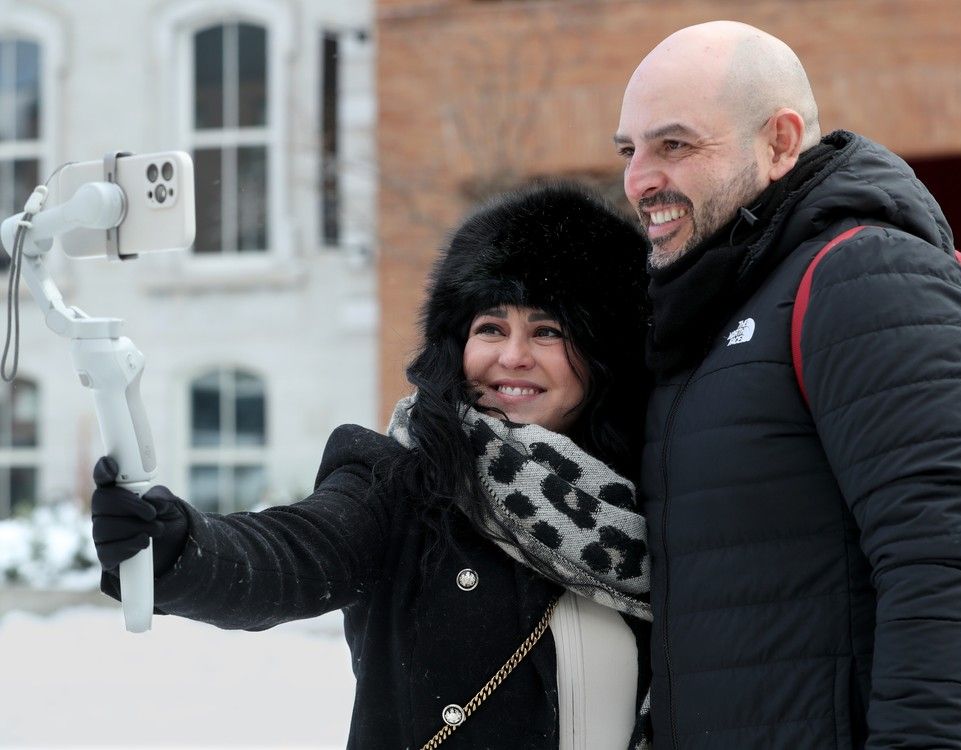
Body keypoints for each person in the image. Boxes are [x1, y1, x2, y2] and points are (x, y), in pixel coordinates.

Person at [90, 183, 656, 749]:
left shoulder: (650, 502)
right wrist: (180, 547)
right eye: (490, 328)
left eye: (547, 331)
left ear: (602, 351)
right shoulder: (405, 483)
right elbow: (296, 552)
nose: (512, 356)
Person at [613, 19, 961, 749]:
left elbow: (950, 567)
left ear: (781, 142)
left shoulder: (868, 278)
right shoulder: (705, 309)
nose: (640, 180)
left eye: (675, 145)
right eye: (629, 150)